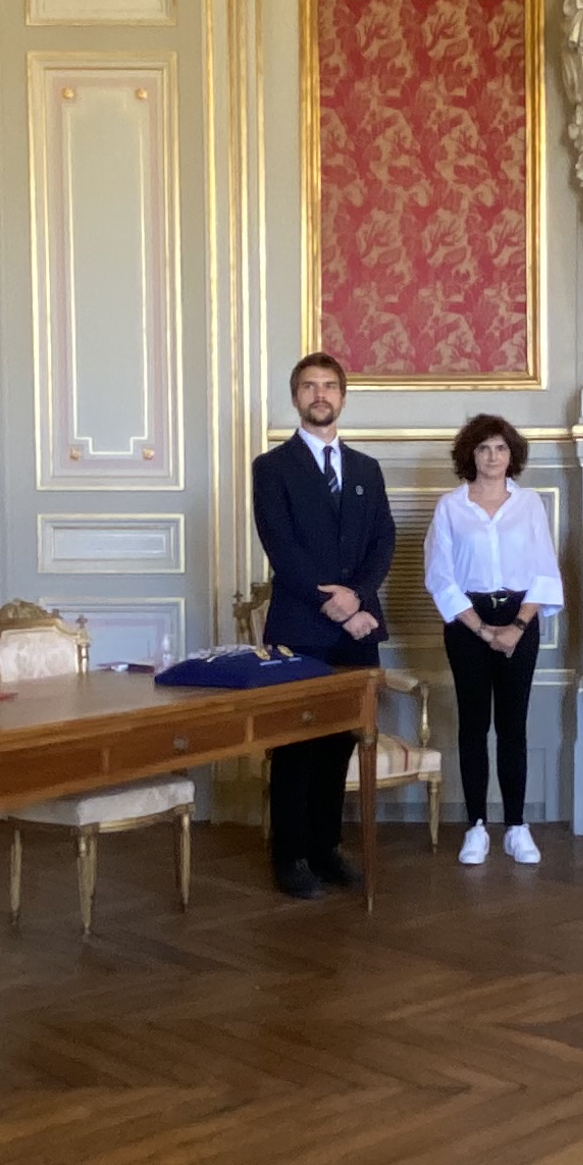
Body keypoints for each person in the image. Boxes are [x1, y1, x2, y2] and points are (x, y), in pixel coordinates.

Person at [249, 351, 393, 901]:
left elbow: (384, 542)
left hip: (357, 629)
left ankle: (327, 848)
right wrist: (330, 601)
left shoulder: (365, 470)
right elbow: (281, 547)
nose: (319, 395)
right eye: (309, 386)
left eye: (329, 386)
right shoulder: (271, 468)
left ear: (342, 396)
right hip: (299, 627)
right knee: (295, 747)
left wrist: (357, 599)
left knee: (338, 744)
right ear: (295, 398)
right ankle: (290, 857)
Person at [422, 414, 561, 867]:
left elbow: (544, 570)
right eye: (483, 448)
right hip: (467, 622)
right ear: (471, 455)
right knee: (473, 724)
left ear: (511, 455)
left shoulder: (530, 504)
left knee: (513, 725)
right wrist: (482, 629)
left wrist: (516, 628)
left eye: (500, 448)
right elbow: (440, 576)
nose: (493, 456)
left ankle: (517, 826)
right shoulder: (450, 507)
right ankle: (477, 825)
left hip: (520, 616)